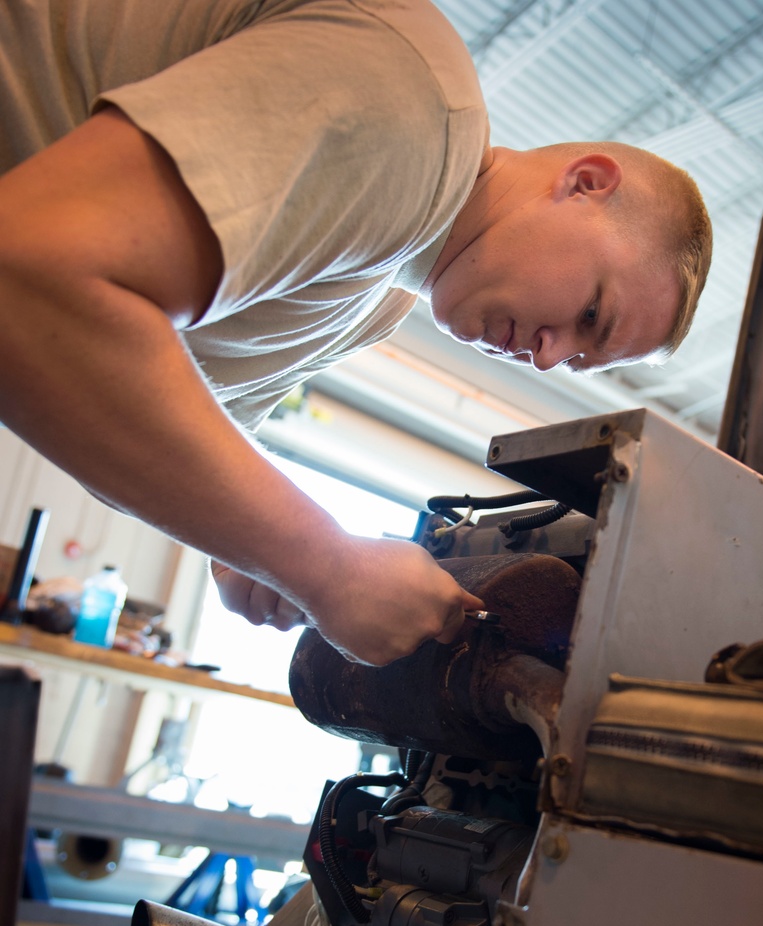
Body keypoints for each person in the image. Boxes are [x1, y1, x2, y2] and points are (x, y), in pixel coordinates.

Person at [0, 0, 712, 665]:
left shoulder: (372, 302)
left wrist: (248, 553)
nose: (548, 354)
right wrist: (324, 565)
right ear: (585, 182)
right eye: (591, 315)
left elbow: (114, 402)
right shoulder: (412, 110)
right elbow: (29, 277)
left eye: (577, 359)